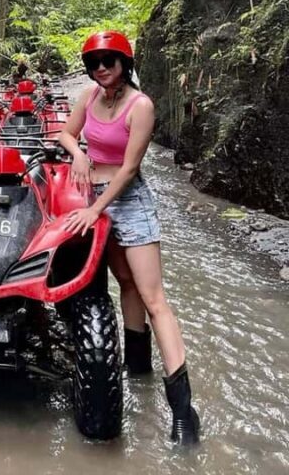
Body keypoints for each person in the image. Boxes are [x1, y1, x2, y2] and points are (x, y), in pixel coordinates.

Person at [58, 30, 200, 445]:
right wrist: (79, 152)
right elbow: (65, 133)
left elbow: (130, 169)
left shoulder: (142, 106)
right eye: (94, 62)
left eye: (109, 60)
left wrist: (95, 211)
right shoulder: (89, 97)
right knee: (124, 286)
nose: (101, 67)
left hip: (126, 202)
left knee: (153, 297)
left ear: (124, 62)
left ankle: (183, 412)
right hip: (91, 196)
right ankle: (137, 369)